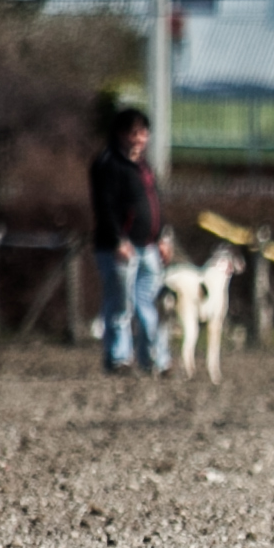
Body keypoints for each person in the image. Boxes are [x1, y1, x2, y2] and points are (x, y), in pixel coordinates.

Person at [89, 108, 172, 375]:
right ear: (121, 134)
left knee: (147, 305)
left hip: (148, 247)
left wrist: (161, 237)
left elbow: (154, 204)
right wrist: (117, 240)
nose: (140, 139)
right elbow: (105, 206)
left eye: (144, 133)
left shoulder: (143, 166)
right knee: (120, 306)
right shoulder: (108, 164)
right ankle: (119, 358)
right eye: (134, 133)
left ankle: (156, 360)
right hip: (120, 248)